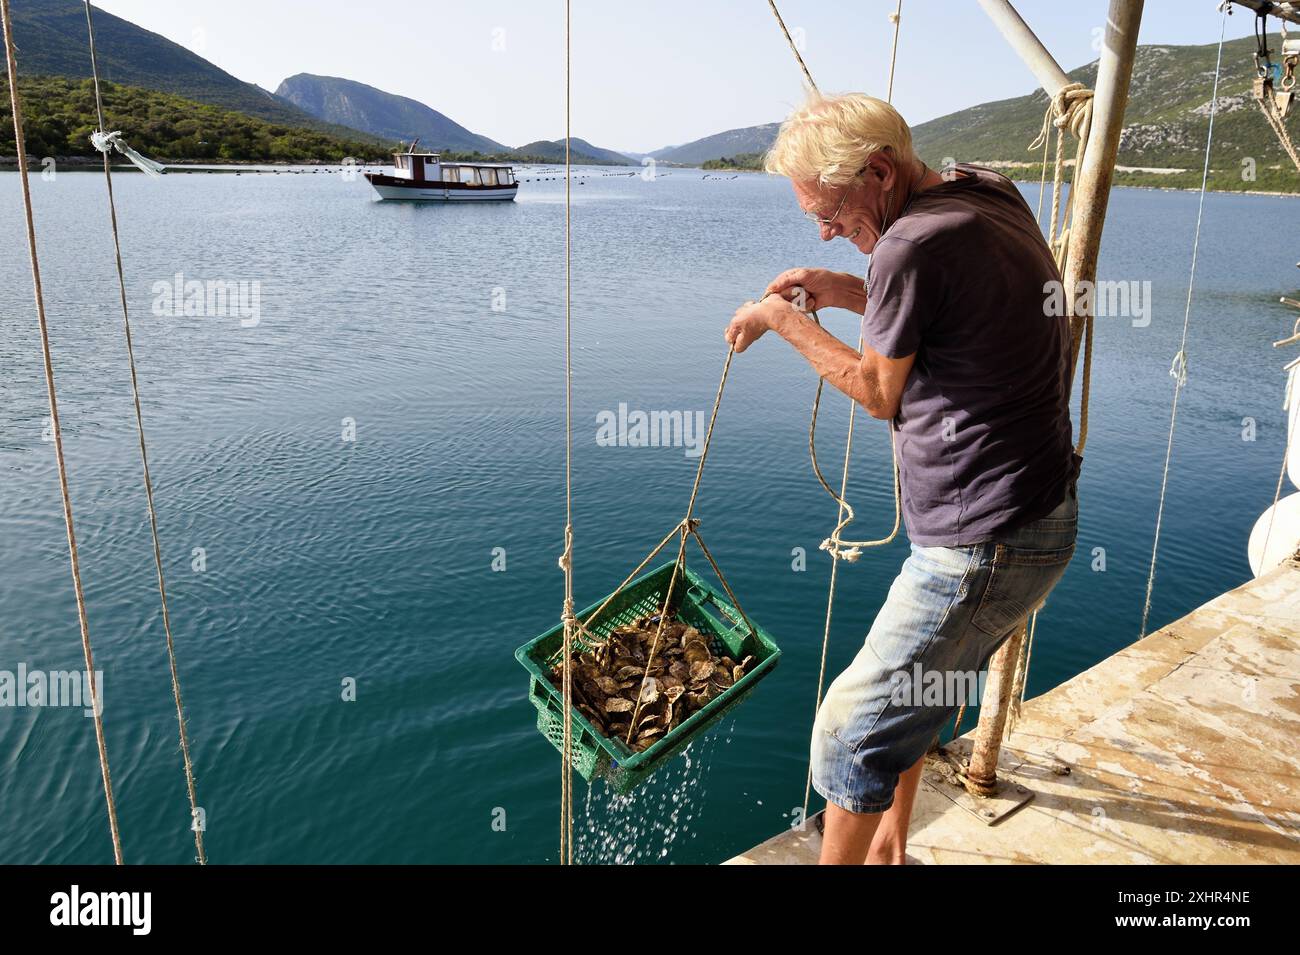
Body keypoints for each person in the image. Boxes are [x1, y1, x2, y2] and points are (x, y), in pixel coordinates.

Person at [725, 91, 1080, 865]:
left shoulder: (908, 246)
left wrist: (785, 319)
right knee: (914, 701)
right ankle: (888, 853)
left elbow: (881, 393)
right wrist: (853, 290)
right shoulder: (979, 190)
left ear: (880, 172)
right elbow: (955, 303)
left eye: (831, 211)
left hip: (984, 540)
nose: (824, 229)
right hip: (1036, 513)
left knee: (850, 733)